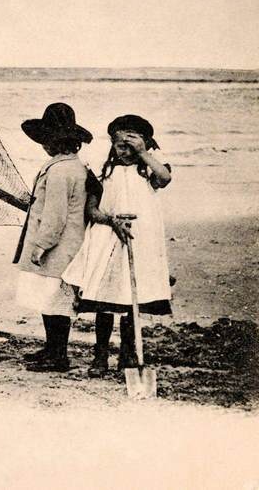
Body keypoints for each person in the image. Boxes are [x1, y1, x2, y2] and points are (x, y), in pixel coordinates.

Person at [62, 114, 172, 377]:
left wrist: (143, 153)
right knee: (105, 298)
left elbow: (165, 178)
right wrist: (112, 221)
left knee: (131, 297)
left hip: (139, 239)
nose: (123, 151)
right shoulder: (103, 173)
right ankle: (100, 356)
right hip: (108, 238)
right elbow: (92, 210)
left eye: (130, 146)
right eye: (118, 145)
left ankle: (128, 354)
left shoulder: (148, 170)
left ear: (144, 144)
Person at [13, 103, 93, 372]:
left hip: (58, 246)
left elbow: (55, 215)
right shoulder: (73, 166)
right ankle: (51, 348)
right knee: (51, 299)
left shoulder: (60, 171)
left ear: (53, 142)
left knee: (55, 301)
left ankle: (58, 355)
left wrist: (41, 246)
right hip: (68, 243)